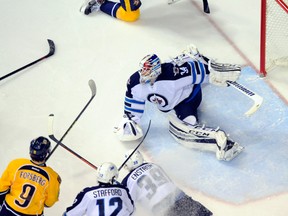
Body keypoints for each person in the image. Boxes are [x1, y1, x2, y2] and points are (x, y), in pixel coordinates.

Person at [114, 44, 244, 161]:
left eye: (147, 70)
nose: (143, 73)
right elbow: (133, 99)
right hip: (172, 102)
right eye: (143, 69)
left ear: (155, 70)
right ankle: (188, 56)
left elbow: (196, 70)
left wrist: (215, 73)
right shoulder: (135, 82)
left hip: (187, 99)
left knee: (188, 126)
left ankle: (221, 143)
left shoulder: (172, 74)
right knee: (183, 127)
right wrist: (131, 119)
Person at [121, 149, 213, 216]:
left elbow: (127, 204)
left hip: (163, 208)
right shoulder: (154, 165)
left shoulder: (128, 180)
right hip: (179, 197)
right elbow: (169, 181)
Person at [0, 136, 61, 216]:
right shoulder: (53, 177)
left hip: (9, 210)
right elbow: (49, 203)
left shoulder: (16, 164)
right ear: (47, 153)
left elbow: (1, 189)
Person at [63, 162, 134, 216]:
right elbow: (131, 209)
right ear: (113, 177)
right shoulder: (123, 190)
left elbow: (70, 214)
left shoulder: (87, 194)